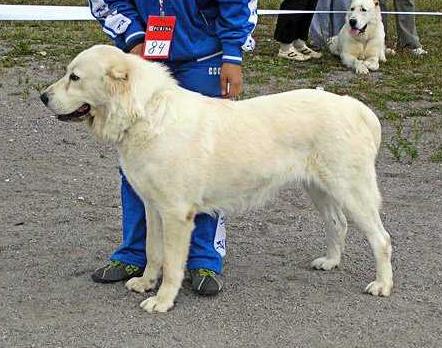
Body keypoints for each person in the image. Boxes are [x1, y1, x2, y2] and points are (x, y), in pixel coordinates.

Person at [88, 0, 257, 296]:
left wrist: (232, 53)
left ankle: (204, 258)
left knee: (204, 160)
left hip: (205, 55)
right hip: (142, 55)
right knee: (138, 156)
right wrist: (134, 36)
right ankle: (135, 253)